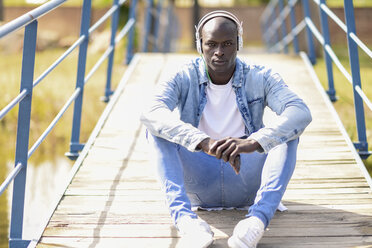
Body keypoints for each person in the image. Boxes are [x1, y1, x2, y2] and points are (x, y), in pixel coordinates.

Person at [140, 10, 312, 248]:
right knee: (156, 130)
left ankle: (256, 222)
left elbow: (300, 112)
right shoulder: (183, 75)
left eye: (227, 43)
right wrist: (203, 141)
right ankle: (187, 222)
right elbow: (150, 112)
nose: (219, 52)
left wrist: (253, 142)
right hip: (199, 182)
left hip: (247, 180)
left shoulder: (261, 76)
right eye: (211, 44)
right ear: (200, 45)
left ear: (238, 43)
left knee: (288, 133)